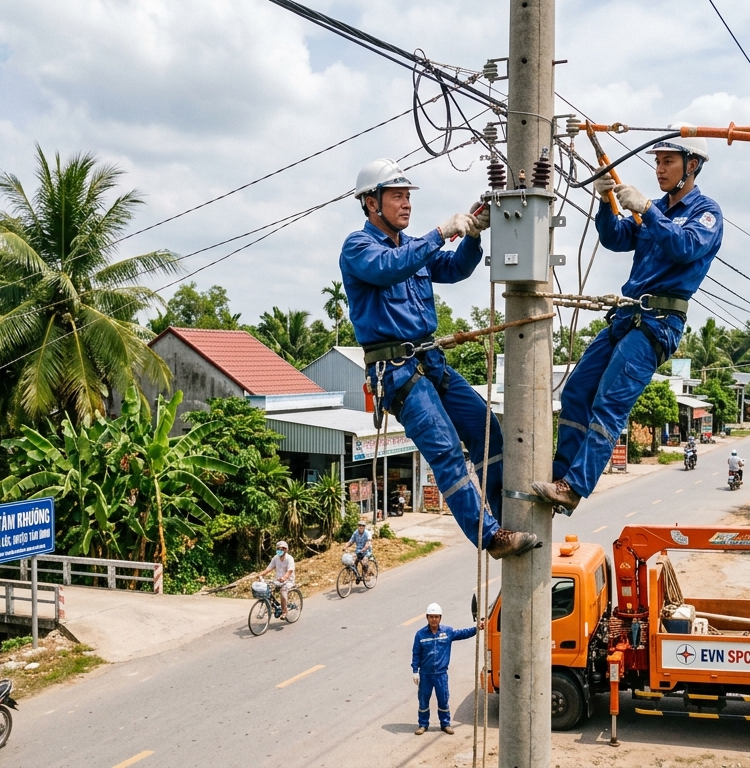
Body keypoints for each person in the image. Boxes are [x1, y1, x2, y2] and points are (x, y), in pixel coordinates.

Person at [341, 158, 538, 560]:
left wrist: (472, 236)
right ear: (370, 203)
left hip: (430, 362)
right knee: (446, 450)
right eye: (396, 196)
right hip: (397, 372)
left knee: (487, 430)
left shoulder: (413, 249)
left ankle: (503, 518)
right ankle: (490, 537)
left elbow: (455, 268)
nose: (406, 204)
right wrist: (440, 232)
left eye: (407, 196)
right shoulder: (358, 248)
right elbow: (387, 268)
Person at [533, 124, 723, 512]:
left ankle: (574, 486)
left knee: (608, 402)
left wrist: (648, 210)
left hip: (658, 322)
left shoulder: (705, 214)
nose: (660, 169)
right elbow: (617, 237)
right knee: (576, 391)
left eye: (668, 161)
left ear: (693, 165)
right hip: (626, 315)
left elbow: (685, 246)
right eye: (657, 162)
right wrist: (607, 201)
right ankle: (561, 473)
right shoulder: (658, 211)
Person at [411, 602, 483, 735]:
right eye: (431, 617)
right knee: (423, 700)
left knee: (443, 699)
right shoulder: (420, 635)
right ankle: (423, 724)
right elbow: (416, 653)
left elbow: (462, 633)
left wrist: (476, 628)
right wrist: (415, 671)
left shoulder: (447, 632)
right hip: (425, 674)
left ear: (440, 618)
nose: (434, 619)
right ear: (427, 617)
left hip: (441, 674)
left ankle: (445, 724)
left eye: (436, 617)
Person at [258, 541, 295, 616]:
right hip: (278, 580)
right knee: (268, 589)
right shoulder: (275, 558)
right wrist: (260, 575)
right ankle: (277, 606)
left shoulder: (289, 558)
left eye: (281, 549)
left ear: (285, 550)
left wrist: (284, 578)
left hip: (288, 581)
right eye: (278, 549)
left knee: (283, 592)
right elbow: (269, 569)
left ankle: (284, 612)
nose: (279, 551)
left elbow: (290, 571)